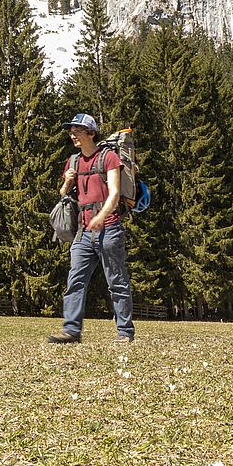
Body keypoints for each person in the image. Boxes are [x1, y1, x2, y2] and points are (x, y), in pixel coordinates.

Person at [47, 113, 135, 344]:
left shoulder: (109, 157)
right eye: (71, 131)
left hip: (109, 228)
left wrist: (102, 216)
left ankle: (124, 332)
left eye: (78, 130)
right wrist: (67, 180)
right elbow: (64, 194)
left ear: (91, 133)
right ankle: (71, 331)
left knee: (116, 281)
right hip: (83, 232)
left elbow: (115, 193)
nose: (73, 134)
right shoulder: (73, 161)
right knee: (75, 280)